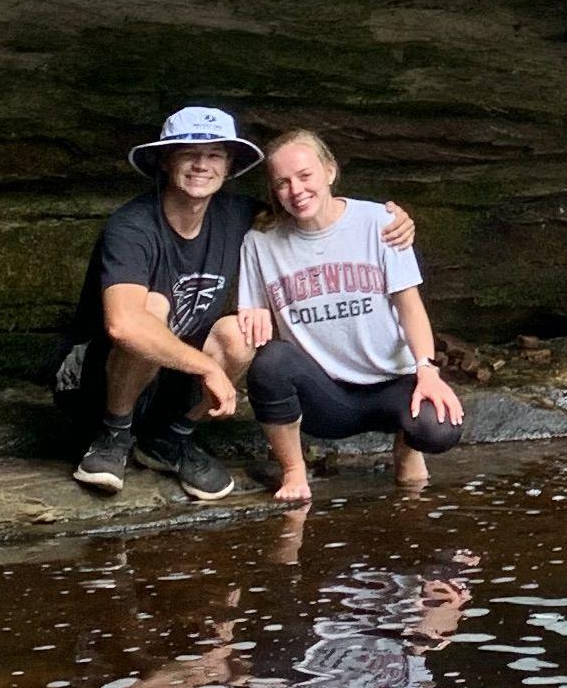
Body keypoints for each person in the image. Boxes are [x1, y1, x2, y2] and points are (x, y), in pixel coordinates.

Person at [64, 107, 415, 495]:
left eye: (214, 155)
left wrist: (389, 217)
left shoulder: (237, 215)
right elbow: (123, 325)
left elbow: (310, 206)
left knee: (240, 331)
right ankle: (115, 434)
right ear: (165, 161)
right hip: (97, 383)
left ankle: (169, 439)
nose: (202, 165)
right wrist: (208, 370)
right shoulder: (131, 227)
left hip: (174, 382)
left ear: (229, 166)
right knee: (152, 311)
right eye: (188, 154)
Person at [233, 128, 467, 502]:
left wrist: (427, 369)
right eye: (283, 183)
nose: (296, 191)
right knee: (271, 362)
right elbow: (253, 313)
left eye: (305, 176)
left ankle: (407, 448)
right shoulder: (260, 242)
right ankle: (294, 472)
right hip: (325, 398)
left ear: (330, 171)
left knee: (439, 428)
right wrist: (252, 315)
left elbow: (410, 307)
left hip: (392, 385)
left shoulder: (380, 223)